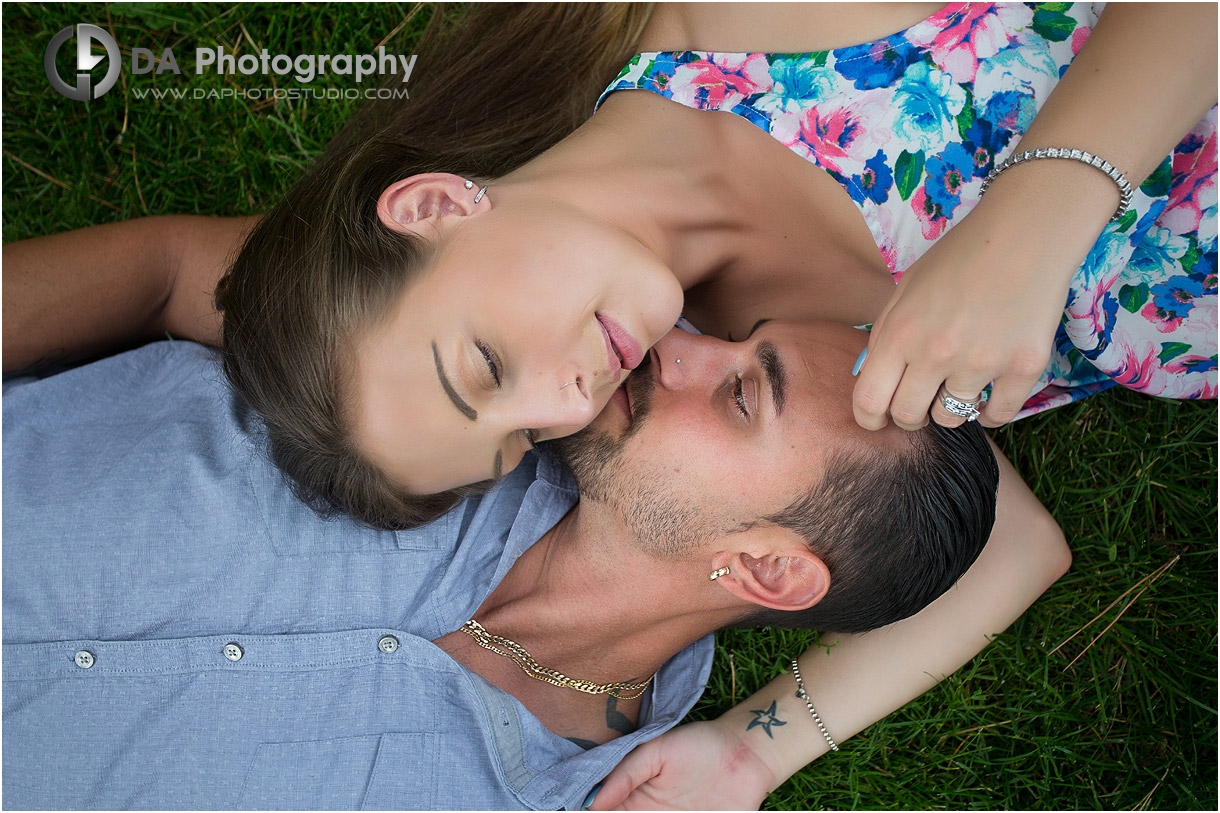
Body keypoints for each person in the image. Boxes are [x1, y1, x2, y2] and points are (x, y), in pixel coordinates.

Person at [5, 3, 1216, 533]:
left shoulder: (760, 24)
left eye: (485, 362)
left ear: (432, 204)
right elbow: (1004, 546)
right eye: (523, 441)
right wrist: (748, 755)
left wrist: (1034, 217)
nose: (568, 402)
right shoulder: (760, 363)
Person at [3, 320, 1059, 810]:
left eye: (739, 394)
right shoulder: (486, 383)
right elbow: (1020, 543)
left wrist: (753, 754)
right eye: (735, 338)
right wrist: (748, 751)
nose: (676, 344)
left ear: (764, 573)